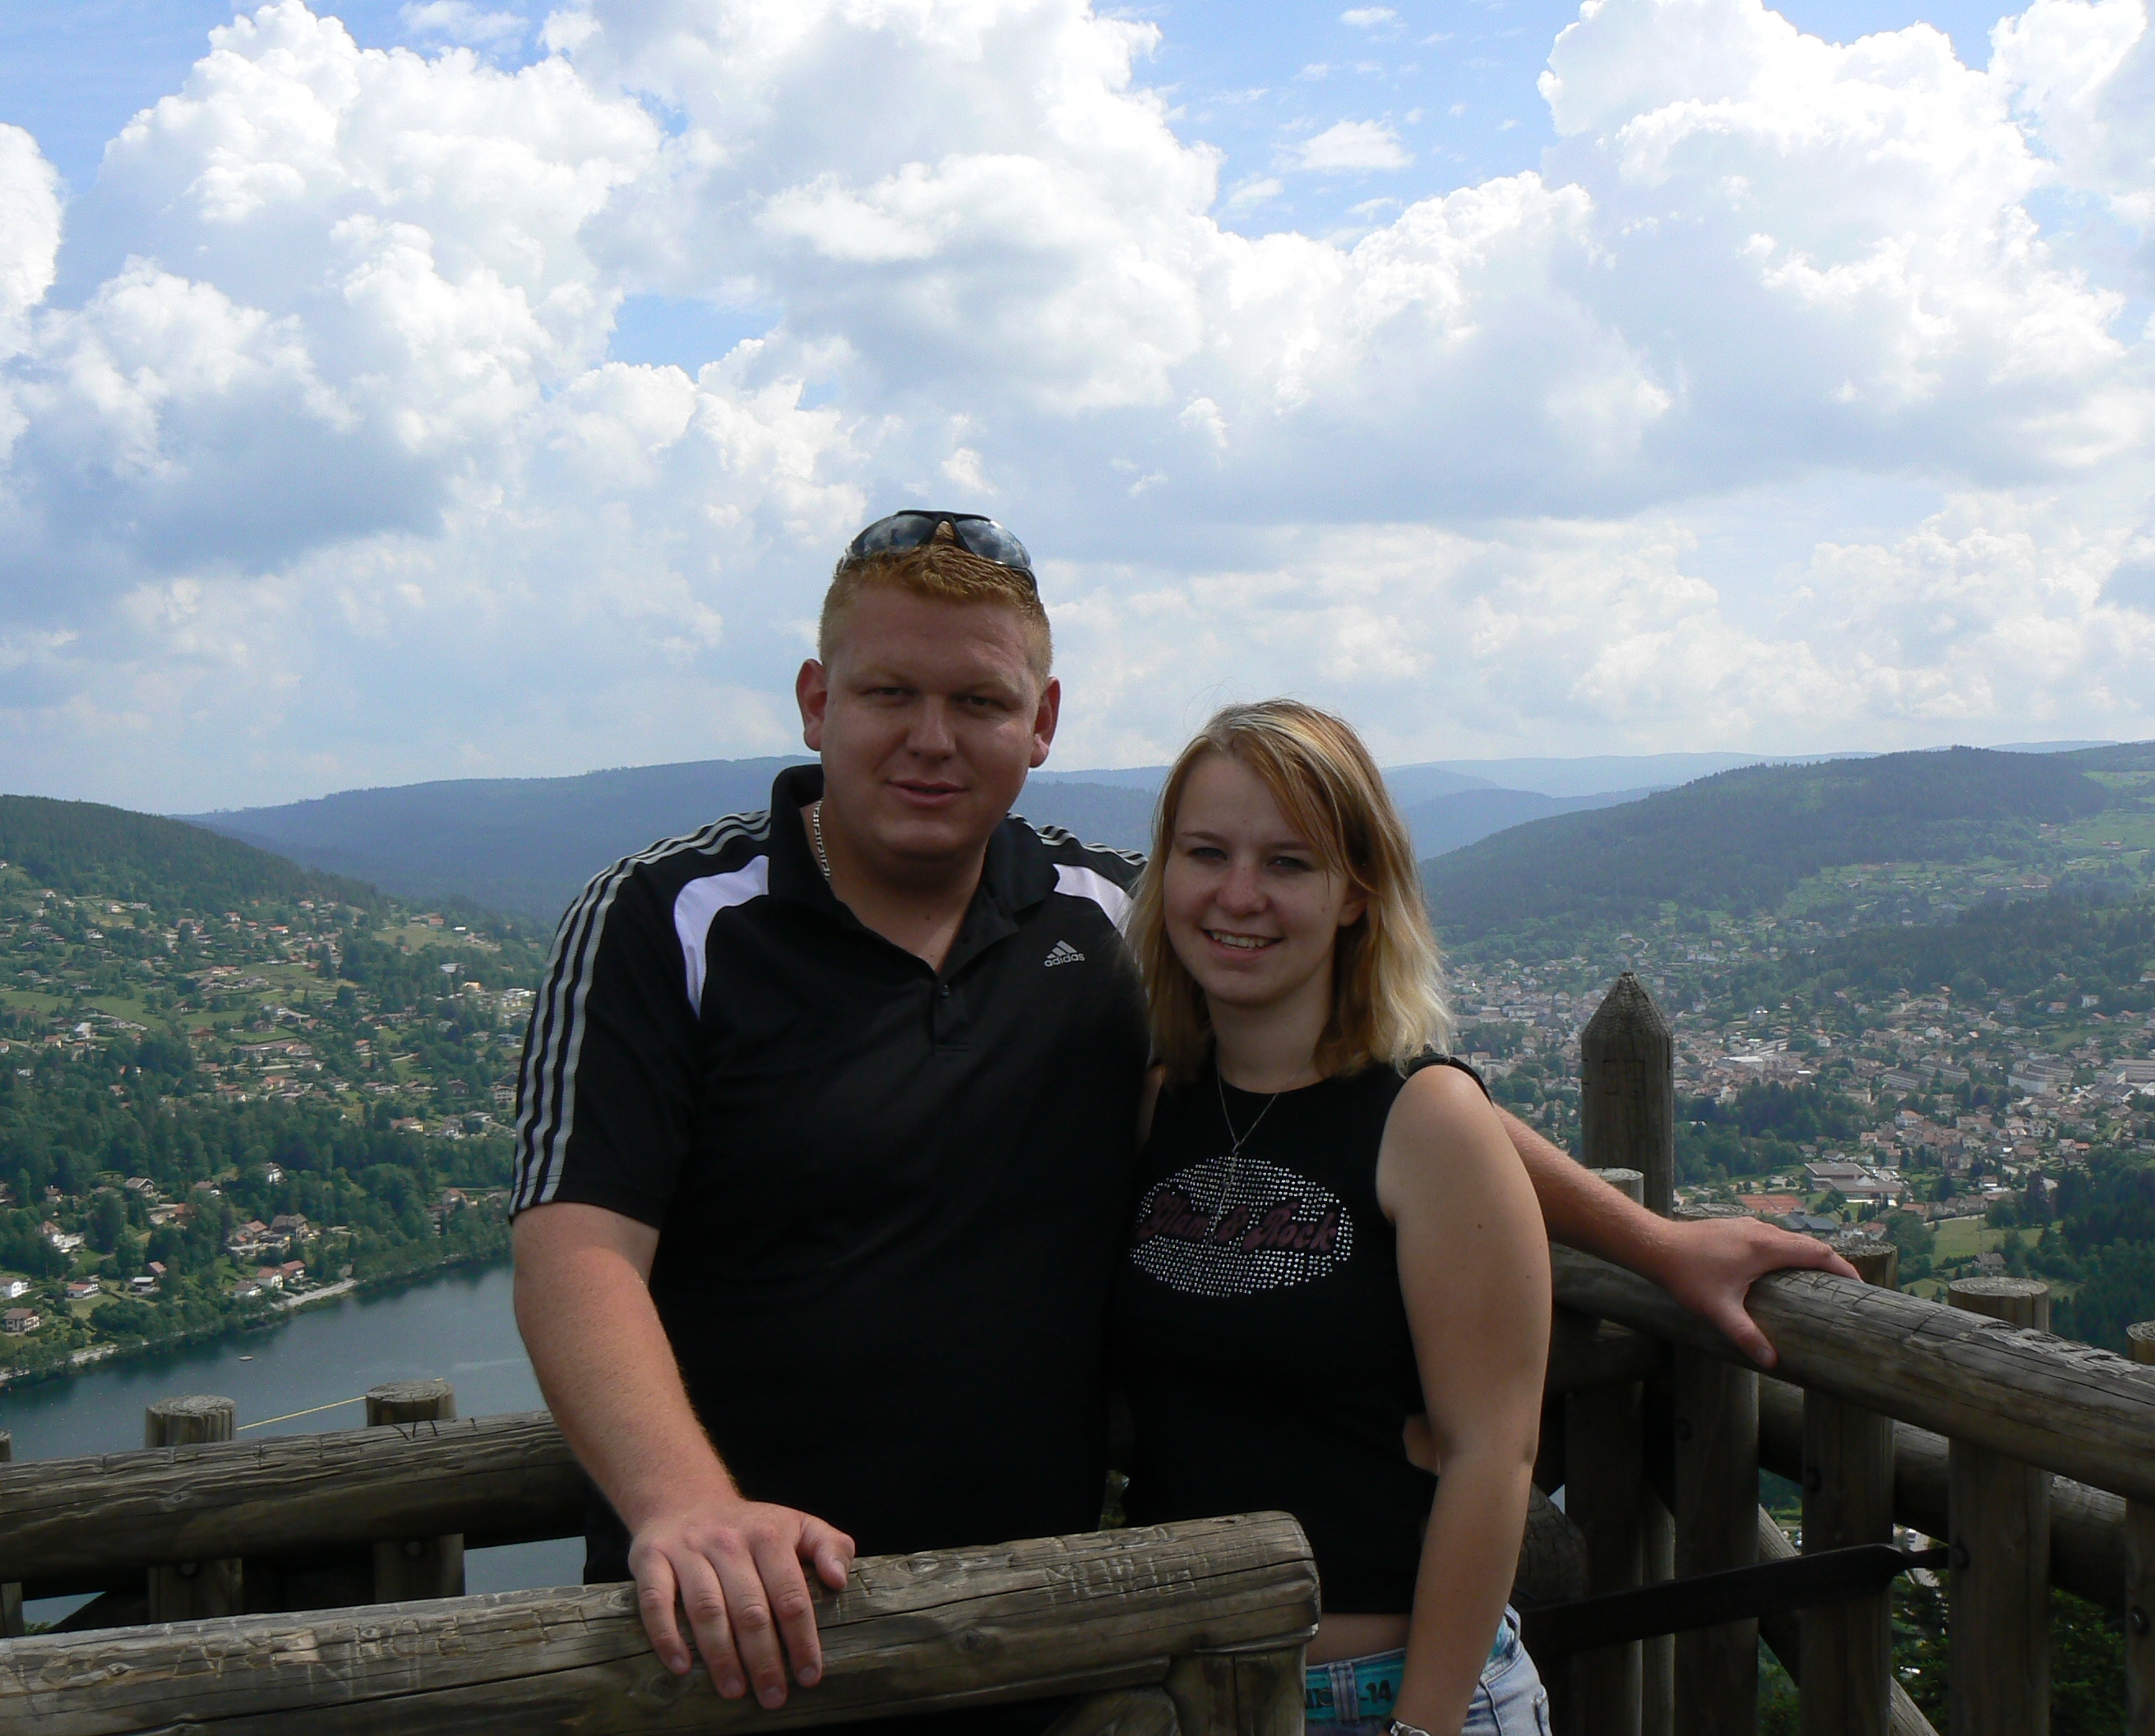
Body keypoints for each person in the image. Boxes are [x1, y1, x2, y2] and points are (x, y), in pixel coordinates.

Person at [506, 508, 1856, 1715]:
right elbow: (576, 1254)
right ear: (816, 701)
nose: (931, 738)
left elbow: (1368, 1090)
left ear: (1041, 724)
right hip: (747, 1634)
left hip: (1042, 1643)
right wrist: (687, 1507)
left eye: (978, 701)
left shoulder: (1105, 916)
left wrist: (1650, 1242)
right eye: (888, 693)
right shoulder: (668, 919)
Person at [1112, 700, 1551, 1736]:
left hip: (1390, 1695)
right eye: (1205, 853)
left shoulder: (1425, 1118)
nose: (1238, 895)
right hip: (1184, 1700)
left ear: (1355, 892)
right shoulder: (1154, 1109)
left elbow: (1491, 1454)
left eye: (1288, 864)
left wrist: (1421, 1724)